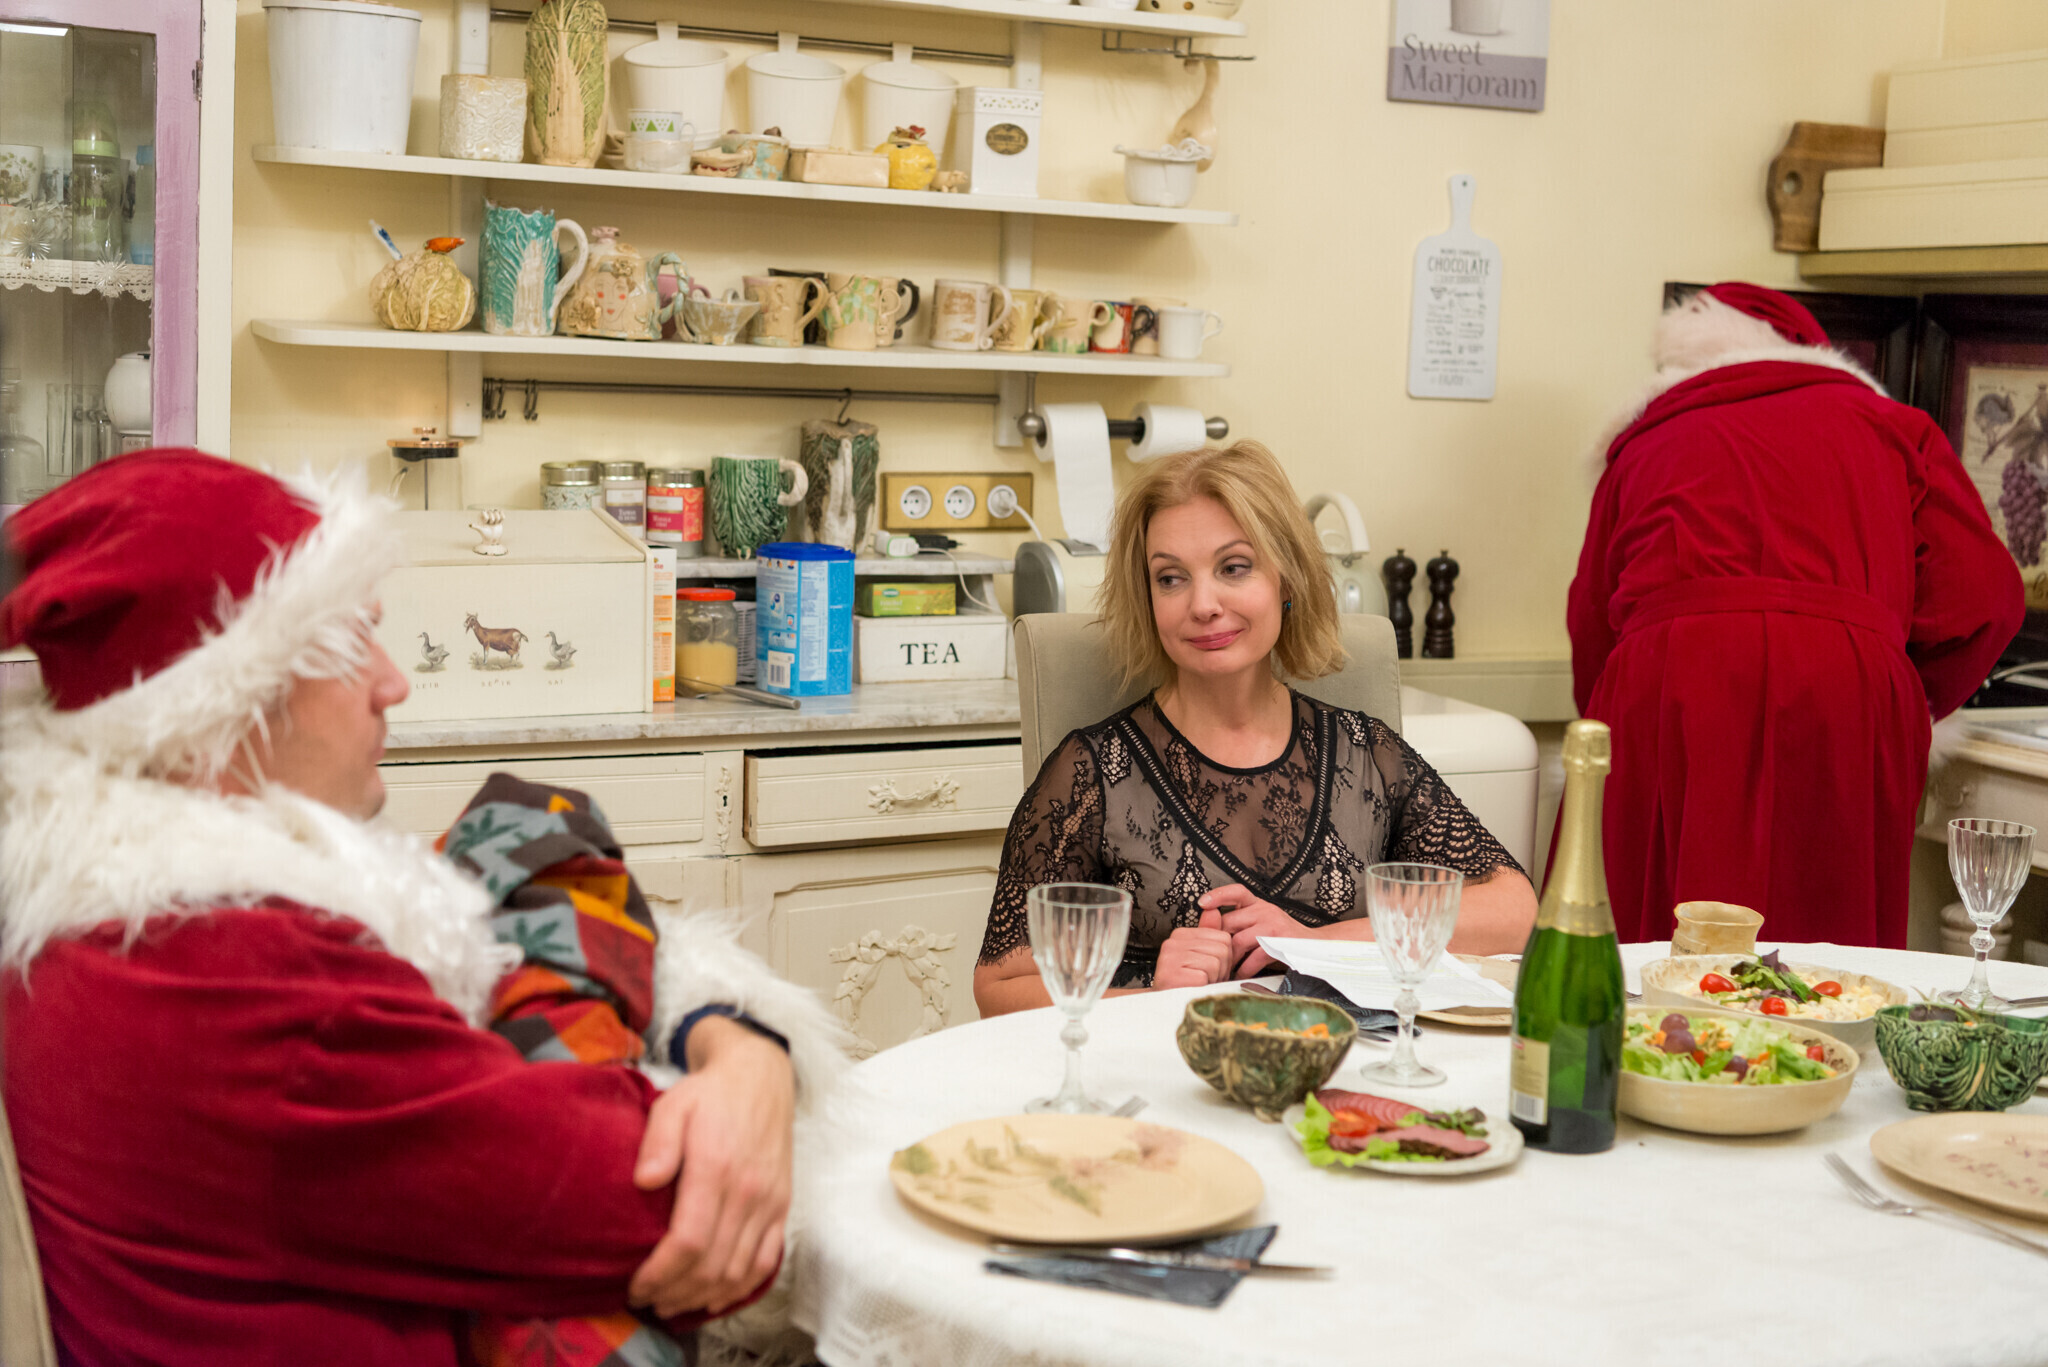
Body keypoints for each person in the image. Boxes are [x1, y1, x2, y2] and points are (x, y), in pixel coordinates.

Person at [0, 450, 845, 1366]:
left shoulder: (109, 924)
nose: (393, 681)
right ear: (218, 708)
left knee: (527, 817)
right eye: (349, 643)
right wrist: (752, 1058)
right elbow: (689, 1212)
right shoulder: (249, 984)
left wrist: (731, 1035)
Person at [973, 442, 1537, 1017]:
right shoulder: (1093, 771)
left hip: (1345, 1060)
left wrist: (1313, 944)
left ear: (1286, 579)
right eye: (1170, 578)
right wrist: (1150, 998)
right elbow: (999, 987)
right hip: (1162, 1061)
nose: (1203, 604)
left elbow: (1514, 913)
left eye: (1233, 568)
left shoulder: (1365, 753)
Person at [1568, 284, 2023, 948]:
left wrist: (1615, 725)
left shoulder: (1645, 440)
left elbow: (1592, 623)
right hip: (1847, 686)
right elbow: (1985, 596)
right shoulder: (1894, 428)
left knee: (1662, 939)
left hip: (1671, 680)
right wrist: (1897, 694)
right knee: (1830, 945)